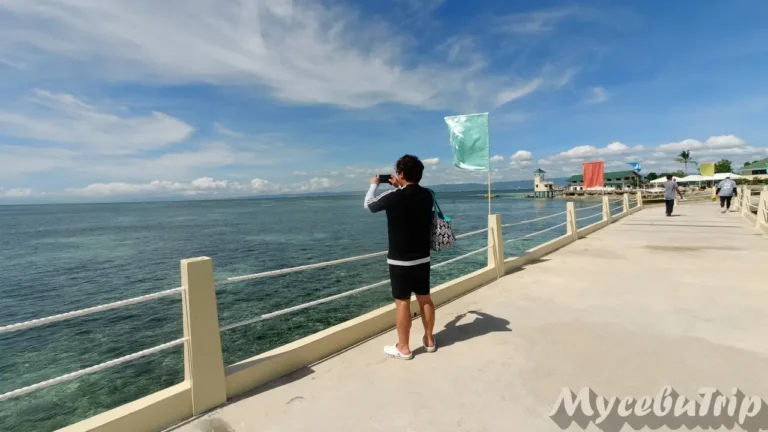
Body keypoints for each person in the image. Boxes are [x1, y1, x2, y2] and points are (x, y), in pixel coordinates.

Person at [364, 155, 435, 360]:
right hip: (422, 258)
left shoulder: (394, 197)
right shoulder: (427, 195)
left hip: (399, 261)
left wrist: (374, 185)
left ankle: (403, 348)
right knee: (425, 299)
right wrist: (399, 187)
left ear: (401, 174)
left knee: (402, 303)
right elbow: (410, 198)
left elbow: (370, 204)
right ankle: (429, 341)